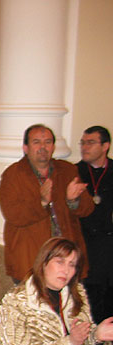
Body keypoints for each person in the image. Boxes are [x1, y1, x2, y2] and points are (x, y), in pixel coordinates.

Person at [0, 124, 94, 282]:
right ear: (26, 148)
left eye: (47, 142)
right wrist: (41, 202)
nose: (43, 147)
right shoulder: (13, 175)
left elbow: (87, 209)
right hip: (31, 260)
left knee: (67, 306)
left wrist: (73, 200)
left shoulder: (67, 170)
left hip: (66, 261)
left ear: (53, 147)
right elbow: (13, 215)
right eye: (36, 142)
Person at [77, 126, 113, 324]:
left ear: (105, 146)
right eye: (83, 142)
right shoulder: (74, 172)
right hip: (85, 251)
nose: (84, 147)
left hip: (109, 253)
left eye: (90, 142)